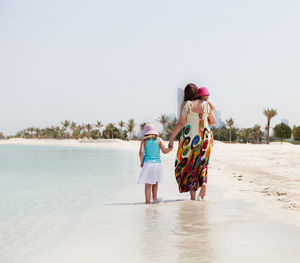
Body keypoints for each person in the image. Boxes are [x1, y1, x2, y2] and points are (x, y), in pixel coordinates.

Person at [168, 83, 216, 200]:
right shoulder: (206, 105)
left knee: (187, 165)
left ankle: (193, 196)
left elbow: (180, 123)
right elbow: (213, 121)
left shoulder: (186, 104)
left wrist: (171, 137)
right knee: (202, 164)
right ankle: (203, 184)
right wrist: (206, 128)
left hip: (189, 141)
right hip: (204, 139)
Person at [138, 123, 173, 204]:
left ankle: (147, 202)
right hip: (157, 164)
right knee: (155, 182)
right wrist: (170, 148)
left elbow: (141, 152)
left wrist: (141, 162)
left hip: (148, 163)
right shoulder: (159, 140)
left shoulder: (144, 140)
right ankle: (154, 199)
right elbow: (164, 151)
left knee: (148, 184)